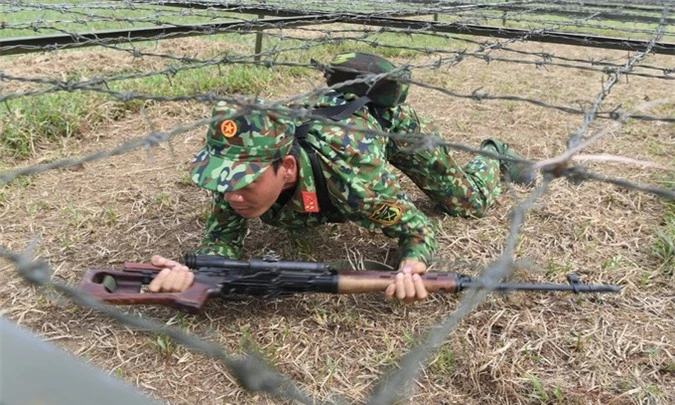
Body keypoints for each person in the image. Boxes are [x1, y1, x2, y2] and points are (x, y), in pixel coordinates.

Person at [147, 53, 535, 303]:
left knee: (468, 202)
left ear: (286, 167)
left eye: (244, 182)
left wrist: (412, 265)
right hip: (324, 117)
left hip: (380, 128)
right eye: (222, 179)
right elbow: (221, 240)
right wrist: (193, 274)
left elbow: (416, 230)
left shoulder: (355, 182)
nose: (230, 195)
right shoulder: (240, 170)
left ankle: (495, 154)